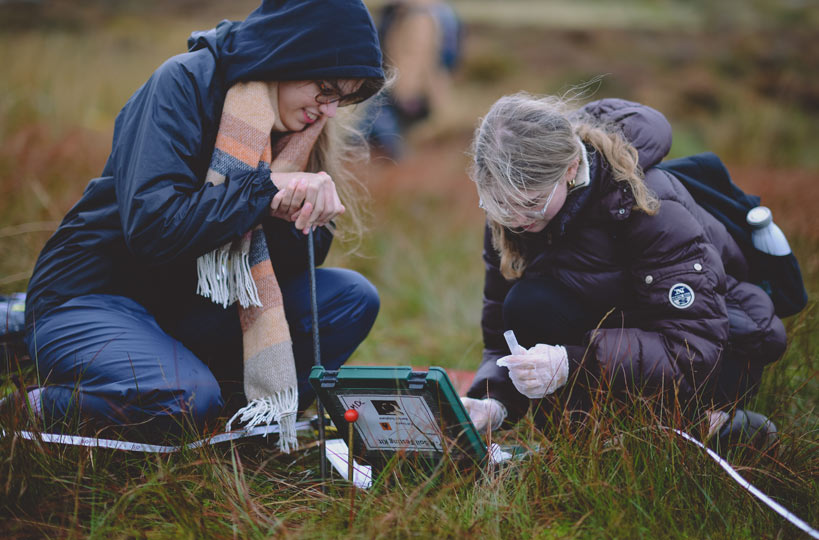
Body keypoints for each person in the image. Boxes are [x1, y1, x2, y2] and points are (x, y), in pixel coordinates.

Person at [17, 0, 385, 446]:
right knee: (185, 398)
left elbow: (285, 269)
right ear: (289, 51)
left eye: (341, 98)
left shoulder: (298, 130)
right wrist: (264, 190)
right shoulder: (183, 83)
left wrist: (301, 215)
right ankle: (29, 406)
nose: (328, 111)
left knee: (351, 298)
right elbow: (153, 231)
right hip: (93, 295)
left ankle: (238, 426)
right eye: (324, 88)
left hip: (185, 311)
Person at [461, 93, 787, 450]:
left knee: (542, 309)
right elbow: (502, 331)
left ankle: (709, 425)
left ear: (570, 170)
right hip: (612, 345)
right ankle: (592, 445)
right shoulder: (511, 214)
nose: (516, 220)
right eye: (497, 204)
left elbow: (694, 349)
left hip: (716, 357)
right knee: (527, 303)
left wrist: (571, 364)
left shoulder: (648, 205)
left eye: (529, 204)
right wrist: (494, 401)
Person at [363, 0, 462, 159]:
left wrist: (406, 91)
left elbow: (417, 56)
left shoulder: (418, 15)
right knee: (387, 134)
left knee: (384, 137)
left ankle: (400, 169)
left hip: (402, 87)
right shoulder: (416, 11)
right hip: (396, 84)